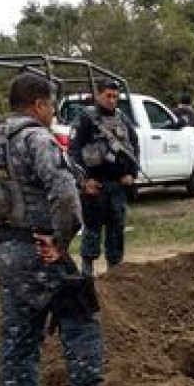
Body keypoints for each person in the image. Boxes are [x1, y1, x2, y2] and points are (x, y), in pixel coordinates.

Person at [0, 73, 130, 386]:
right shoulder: (36, 138)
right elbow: (66, 195)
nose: (53, 112)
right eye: (51, 105)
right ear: (38, 104)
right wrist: (61, 241)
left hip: (3, 249)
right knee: (80, 317)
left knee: (18, 330)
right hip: (39, 249)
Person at [69, 79, 140, 276]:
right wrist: (84, 182)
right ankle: (87, 275)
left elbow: (134, 147)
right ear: (98, 95)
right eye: (108, 95)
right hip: (95, 187)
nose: (112, 100)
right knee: (91, 231)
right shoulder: (85, 119)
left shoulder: (123, 119)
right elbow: (73, 152)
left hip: (118, 187)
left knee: (116, 233)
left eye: (115, 96)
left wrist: (131, 174)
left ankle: (114, 274)